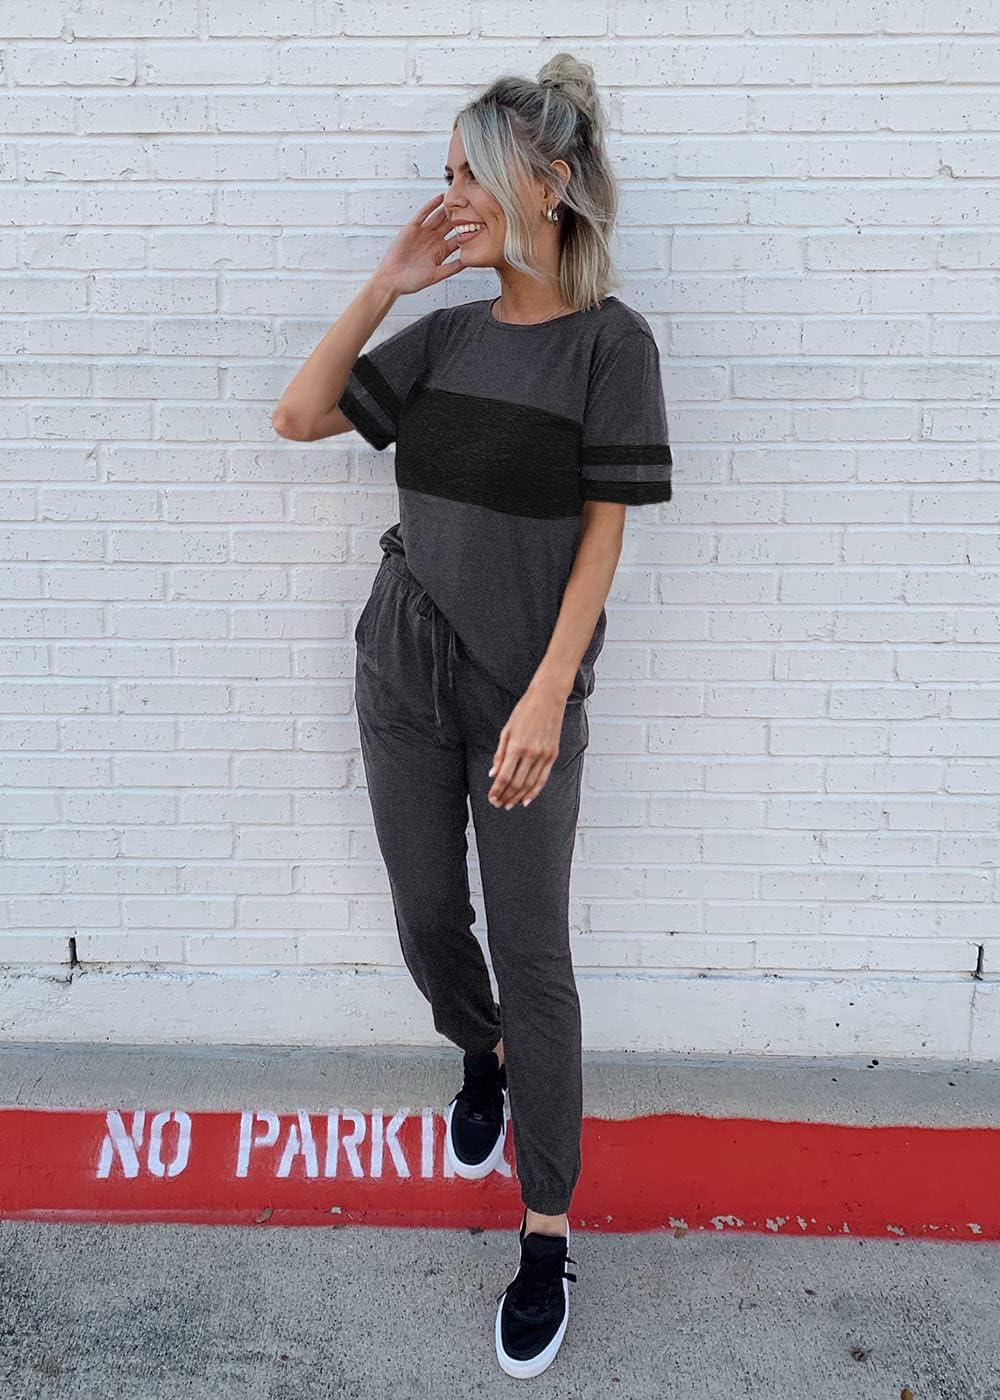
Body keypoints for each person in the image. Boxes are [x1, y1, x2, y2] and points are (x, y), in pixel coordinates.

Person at [272, 51, 672, 1380]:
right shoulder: (443, 335)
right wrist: (389, 283)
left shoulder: (613, 346)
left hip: (525, 682)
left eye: (470, 173)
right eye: (442, 174)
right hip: (405, 657)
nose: (449, 196)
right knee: (426, 916)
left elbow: (604, 535)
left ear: (546, 185)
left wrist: (551, 691)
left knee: (534, 949)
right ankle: (478, 1049)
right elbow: (298, 414)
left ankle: (546, 1235)